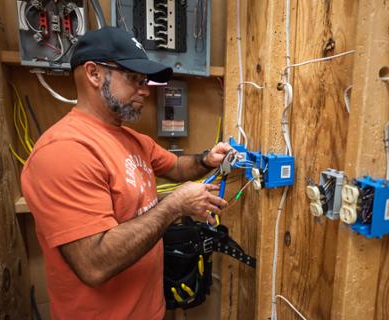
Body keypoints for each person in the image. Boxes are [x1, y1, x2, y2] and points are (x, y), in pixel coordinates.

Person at [21, 26, 231, 320]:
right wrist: (174, 206)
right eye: (134, 78)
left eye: (144, 80)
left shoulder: (132, 140)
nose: (144, 90)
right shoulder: (63, 152)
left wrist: (208, 158)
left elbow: (176, 166)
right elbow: (94, 264)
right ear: (94, 74)